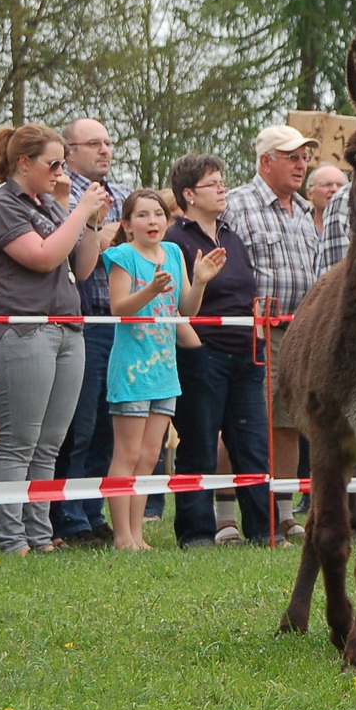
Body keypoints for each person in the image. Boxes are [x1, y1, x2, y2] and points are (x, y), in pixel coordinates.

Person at [0, 124, 109, 554]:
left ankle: (38, 533)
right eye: (52, 164)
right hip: (23, 331)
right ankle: (9, 536)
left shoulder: (49, 205)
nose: (59, 173)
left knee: (49, 444)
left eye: (61, 165)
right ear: (23, 163)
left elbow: (82, 268)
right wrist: (78, 210)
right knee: (19, 441)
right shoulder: (1, 204)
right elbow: (43, 257)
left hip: (67, 329)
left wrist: (90, 222)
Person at [165, 154, 284, 547]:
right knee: (199, 446)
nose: (222, 190)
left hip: (247, 355)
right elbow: (175, 304)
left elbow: (246, 291)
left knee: (253, 447)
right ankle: (197, 533)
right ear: (188, 194)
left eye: (222, 182)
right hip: (203, 354)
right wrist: (197, 348)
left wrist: (258, 335)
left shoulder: (231, 236)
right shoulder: (175, 240)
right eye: (213, 184)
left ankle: (264, 531)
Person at [103, 188, 223, 550]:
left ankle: (137, 535)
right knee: (128, 454)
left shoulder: (173, 253)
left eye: (158, 214)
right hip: (131, 368)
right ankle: (122, 536)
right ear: (127, 225)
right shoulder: (123, 255)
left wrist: (200, 281)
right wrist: (151, 290)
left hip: (165, 370)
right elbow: (119, 308)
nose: (151, 221)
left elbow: (186, 310)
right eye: (142, 215)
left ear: (168, 220)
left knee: (150, 456)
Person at [225, 124, 320, 502]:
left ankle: (281, 512)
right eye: (292, 157)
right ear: (265, 162)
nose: (301, 165)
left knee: (289, 423)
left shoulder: (306, 210)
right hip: (255, 332)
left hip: (300, 332)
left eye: (305, 158)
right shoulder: (236, 204)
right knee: (242, 424)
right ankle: (226, 513)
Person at [54, 117, 128, 543]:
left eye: (108, 142)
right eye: (94, 143)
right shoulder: (62, 194)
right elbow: (67, 252)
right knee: (77, 425)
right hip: (82, 319)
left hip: (120, 322)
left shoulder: (123, 196)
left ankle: (91, 511)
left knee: (106, 425)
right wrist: (99, 233)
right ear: (69, 151)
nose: (105, 150)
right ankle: (67, 516)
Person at [305, 164, 347, 236]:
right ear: (310, 194)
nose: (335, 189)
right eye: (327, 184)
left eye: (340, 185)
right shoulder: (299, 226)